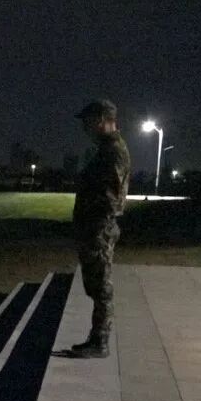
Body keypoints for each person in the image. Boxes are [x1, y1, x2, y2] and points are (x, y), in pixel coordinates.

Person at [67, 99, 131, 359]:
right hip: (93, 225)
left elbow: (112, 197)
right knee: (95, 284)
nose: (84, 126)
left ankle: (100, 342)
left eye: (88, 121)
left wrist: (93, 219)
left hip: (99, 226)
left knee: (101, 285)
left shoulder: (113, 151)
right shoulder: (105, 149)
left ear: (102, 119)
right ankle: (96, 339)